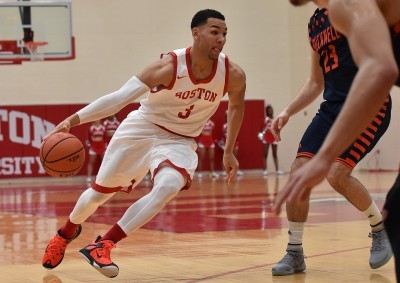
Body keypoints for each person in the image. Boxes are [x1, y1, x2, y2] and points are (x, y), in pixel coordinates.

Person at [41, 9, 246, 278]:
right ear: (196, 34)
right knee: (99, 195)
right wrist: (72, 120)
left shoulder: (233, 74)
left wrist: (229, 150)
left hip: (180, 140)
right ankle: (65, 233)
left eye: (224, 34)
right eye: (214, 32)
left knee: (170, 185)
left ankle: (103, 244)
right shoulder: (169, 67)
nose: (221, 39)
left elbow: (236, 107)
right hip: (143, 128)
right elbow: (119, 99)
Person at [274, 0, 400, 281]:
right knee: (299, 170)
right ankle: (294, 251)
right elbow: (315, 83)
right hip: (331, 107)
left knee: (337, 174)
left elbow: (380, 68)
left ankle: (379, 230)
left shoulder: (352, 6)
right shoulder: (315, 24)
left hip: (368, 102)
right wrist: (287, 112)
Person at [258, 104, 283, 175]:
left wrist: (277, 135)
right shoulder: (265, 120)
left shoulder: (275, 120)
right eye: (269, 110)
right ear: (267, 111)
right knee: (265, 154)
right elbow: (261, 130)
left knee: (275, 154)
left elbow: (277, 129)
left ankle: (277, 170)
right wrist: (263, 134)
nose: (270, 111)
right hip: (266, 139)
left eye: (271, 110)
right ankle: (265, 170)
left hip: (274, 138)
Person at [217, 110, 243, 176]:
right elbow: (223, 136)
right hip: (227, 143)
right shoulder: (224, 126)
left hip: (235, 142)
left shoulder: (234, 125)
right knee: (226, 156)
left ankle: (236, 170)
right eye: (227, 116)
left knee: (235, 156)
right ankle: (225, 170)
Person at [86, 120, 106, 184]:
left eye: (98, 119)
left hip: (102, 146)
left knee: (104, 162)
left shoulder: (103, 128)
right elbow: (88, 139)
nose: (97, 120)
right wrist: (90, 145)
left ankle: (104, 177)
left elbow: (105, 138)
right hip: (94, 146)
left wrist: (105, 145)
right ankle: (89, 177)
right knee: (91, 162)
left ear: (100, 120)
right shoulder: (91, 128)